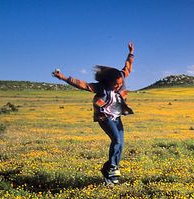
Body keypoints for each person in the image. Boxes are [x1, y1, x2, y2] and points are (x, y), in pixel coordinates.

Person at [52, 42, 135, 184]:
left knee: (120, 144)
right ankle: (113, 170)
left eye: (120, 83)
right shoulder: (100, 88)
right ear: (108, 82)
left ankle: (107, 170)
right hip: (104, 117)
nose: (119, 85)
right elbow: (82, 84)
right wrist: (64, 78)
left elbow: (127, 67)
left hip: (116, 117)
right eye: (116, 84)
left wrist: (131, 53)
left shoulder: (121, 77)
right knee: (116, 140)